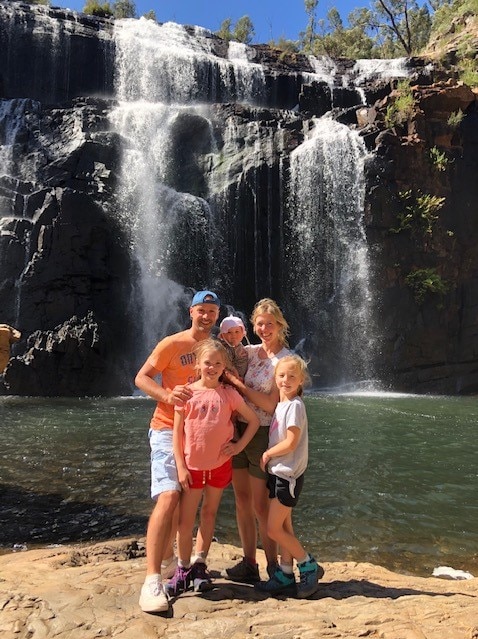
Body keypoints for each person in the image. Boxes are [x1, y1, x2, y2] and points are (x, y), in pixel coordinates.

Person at [135, 290, 220, 613]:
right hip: (166, 427)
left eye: (212, 311)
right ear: (191, 312)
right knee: (168, 497)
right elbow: (141, 378)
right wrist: (167, 396)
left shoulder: (217, 350)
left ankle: (176, 561)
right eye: (202, 310)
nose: (206, 316)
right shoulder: (171, 344)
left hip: (200, 435)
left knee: (188, 502)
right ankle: (152, 579)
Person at [165, 339, 260, 597]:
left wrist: (238, 447)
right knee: (185, 521)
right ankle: (183, 568)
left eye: (218, 363)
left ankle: (199, 564)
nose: (213, 367)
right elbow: (176, 434)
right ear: (197, 364)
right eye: (208, 362)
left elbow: (252, 420)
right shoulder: (186, 394)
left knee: (209, 515)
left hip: (219, 466)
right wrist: (181, 467)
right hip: (193, 467)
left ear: (224, 367)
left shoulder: (229, 394)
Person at [222, 298, 291, 583]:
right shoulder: (248, 353)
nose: (264, 328)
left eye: (269, 324)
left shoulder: (284, 360)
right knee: (241, 501)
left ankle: (273, 566)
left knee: (261, 506)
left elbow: (271, 403)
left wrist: (238, 385)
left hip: (262, 434)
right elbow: (218, 353)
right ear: (252, 325)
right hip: (236, 429)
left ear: (279, 325)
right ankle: (249, 562)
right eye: (259, 324)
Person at [255, 354, 324, 598]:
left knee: (273, 529)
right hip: (279, 473)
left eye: (292, 376)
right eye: (282, 376)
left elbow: (291, 443)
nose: (286, 380)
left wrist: (267, 454)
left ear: (301, 380)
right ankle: (285, 572)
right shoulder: (282, 405)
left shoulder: (294, 406)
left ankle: (308, 564)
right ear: (275, 378)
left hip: (287, 476)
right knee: (284, 526)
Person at [218, 315, 249, 379]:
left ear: (242, 333)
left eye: (237, 332)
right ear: (222, 335)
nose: (233, 335)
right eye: (229, 332)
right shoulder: (221, 348)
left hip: (239, 378)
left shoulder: (242, 349)